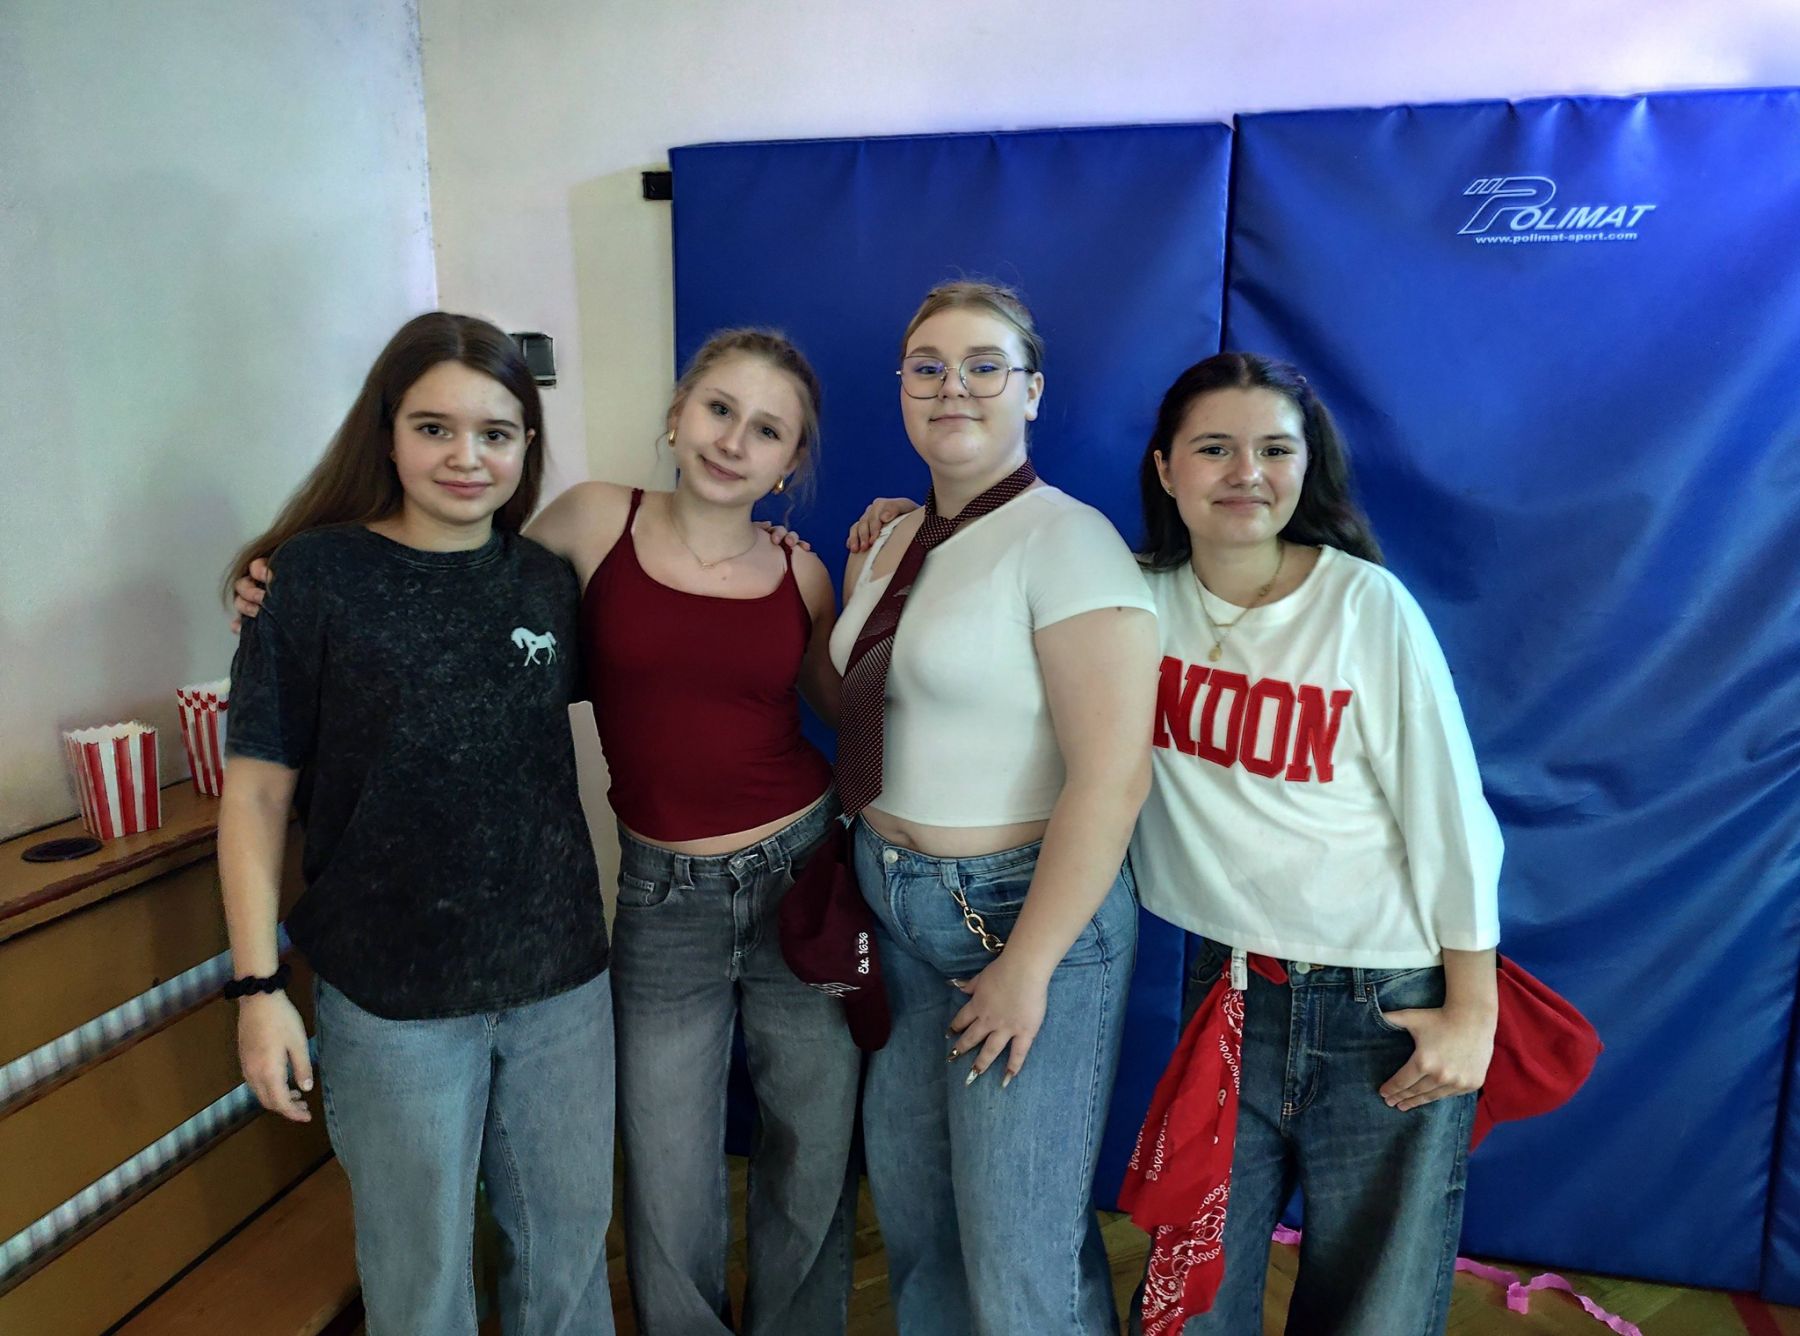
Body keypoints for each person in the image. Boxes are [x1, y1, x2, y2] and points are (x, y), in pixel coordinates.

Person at [234, 328, 858, 1336]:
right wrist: (277, 584)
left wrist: (895, 578)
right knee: (648, 1174)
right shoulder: (585, 525)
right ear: (676, 414)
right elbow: (439, 577)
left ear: (791, 461)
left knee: (790, 1157)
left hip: (764, 887)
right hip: (623, 910)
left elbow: (841, 706)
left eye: (767, 429)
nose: (734, 440)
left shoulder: (785, 573)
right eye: (718, 409)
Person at [220, 311, 616, 1335]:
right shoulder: (311, 579)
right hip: (393, 1002)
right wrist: (258, 988)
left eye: (496, 432)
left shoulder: (546, 581)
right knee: (420, 1282)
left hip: (561, 987)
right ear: (387, 433)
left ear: (527, 445)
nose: (466, 457)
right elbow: (256, 794)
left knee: (568, 1266)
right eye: (434, 428)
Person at [1129, 352, 1502, 1334]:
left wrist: (1473, 1009)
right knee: (1193, 1291)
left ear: (1308, 466)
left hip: (1385, 1000)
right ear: (1166, 466)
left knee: (1374, 1308)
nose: (1246, 472)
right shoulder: (1129, 598)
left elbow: (1451, 815)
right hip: (1230, 984)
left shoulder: (1366, 606)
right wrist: (909, 526)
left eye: (1274, 449)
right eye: (1215, 448)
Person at [831, 280, 1159, 1334]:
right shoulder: (894, 537)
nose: (953, 387)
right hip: (894, 906)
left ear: (1032, 392)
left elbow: (1114, 776)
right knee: (920, 1220)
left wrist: (1028, 967)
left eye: (984, 366)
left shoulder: (1069, 542)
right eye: (927, 367)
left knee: (1019, 1249)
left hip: (1020, 917)